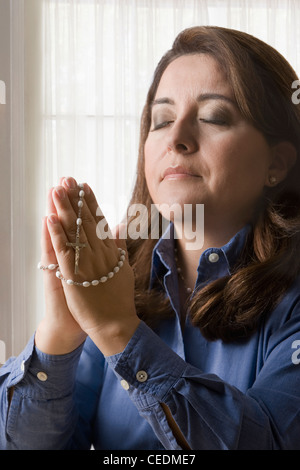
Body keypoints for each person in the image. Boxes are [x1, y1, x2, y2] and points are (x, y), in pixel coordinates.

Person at [1, 25, 300, 450]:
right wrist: (59, 335)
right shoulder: (117, 280)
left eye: (213, 117)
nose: (176, 139)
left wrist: (118, 329)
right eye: (161, 121)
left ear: (278, 162)